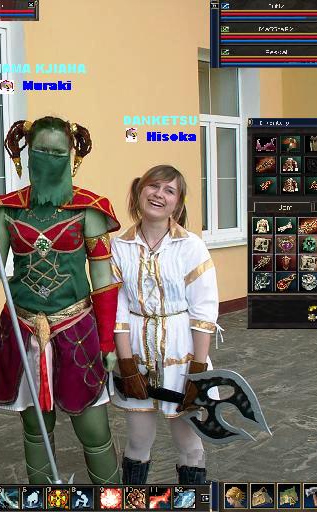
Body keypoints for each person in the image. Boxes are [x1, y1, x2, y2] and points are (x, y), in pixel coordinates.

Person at [0, 117, 121, 484]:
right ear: (26, 153)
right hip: (23, 330)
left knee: (95, 431)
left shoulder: (89, 209)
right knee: (36, 430)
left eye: (57, 152)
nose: (49, 158)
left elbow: (103, 281)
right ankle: (42, 500)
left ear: (72, 156)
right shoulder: (7, 209)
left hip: (76, 329)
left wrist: (107, 341)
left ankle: (112, 502)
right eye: (41, 151)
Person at [110, 165, 220, 484]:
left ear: (177, 203)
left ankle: (192, 502)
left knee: (189, 444)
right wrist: (126, 366)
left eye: (169, 190)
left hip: (182, 351)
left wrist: (198, 369)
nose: (159, 194)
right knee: (137, 442)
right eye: (153, 186)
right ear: (139, 191)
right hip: (135, 352)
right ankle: (133, 502)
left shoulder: (191, 246)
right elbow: (117, 310)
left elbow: (203, 310)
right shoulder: (119, 246)